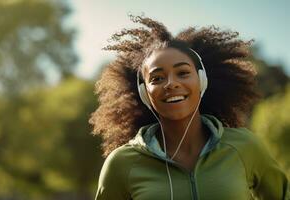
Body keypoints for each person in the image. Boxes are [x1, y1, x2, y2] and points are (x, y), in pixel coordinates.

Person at [89, 15, 289, 200]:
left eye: (183, 73)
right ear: (144, 93)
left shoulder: (244, 146)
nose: (171, 84)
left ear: (201, 81)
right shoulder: (122, 163)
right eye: (157, 78)